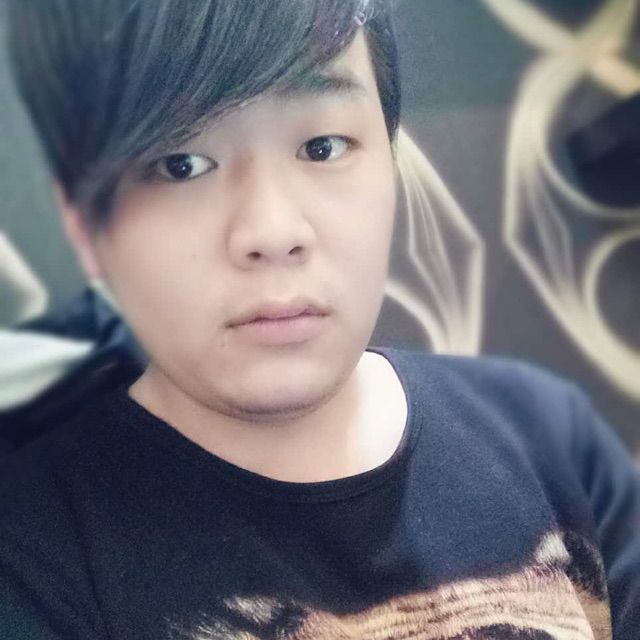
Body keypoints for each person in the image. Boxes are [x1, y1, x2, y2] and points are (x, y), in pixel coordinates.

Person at [1, 1, 638, 638]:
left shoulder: (550, 435)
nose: (273, 231)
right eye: (180, 165)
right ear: (85, 225)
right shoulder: (31, 556)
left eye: (322, 146)